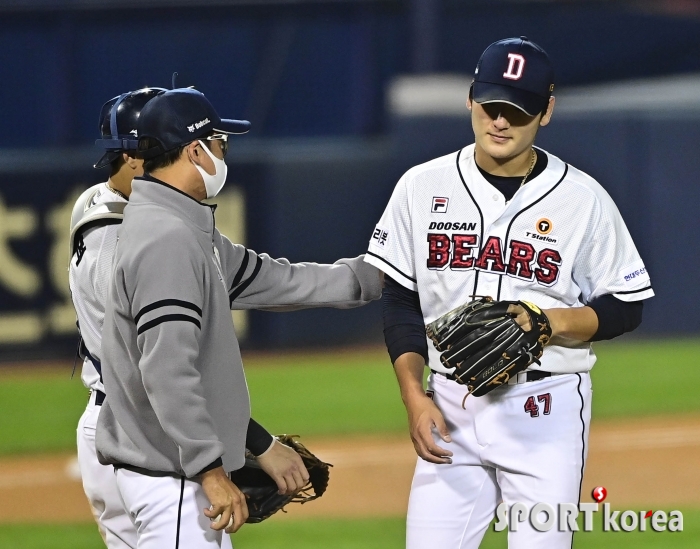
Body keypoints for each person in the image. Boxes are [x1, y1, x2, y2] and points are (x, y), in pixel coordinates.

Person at [365, 36, 653, 548]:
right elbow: (401, 299)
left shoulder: (581, 199)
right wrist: (413, 396)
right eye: (492, 105)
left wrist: (551, 322)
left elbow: (627, 304)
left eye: (517, 111)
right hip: (449, 405)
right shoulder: (420, 185)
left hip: (545, 409)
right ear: (471, 100)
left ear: (546, 112)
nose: (500, 122)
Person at [95, 87, 383, 549]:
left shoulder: (187, 227)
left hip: (174, 477)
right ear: (195, 150)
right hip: (175, 485)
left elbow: (282, 281)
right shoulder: (166, 239)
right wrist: (210, 471)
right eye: (219, 144)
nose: (224, 153)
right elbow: (167, 371)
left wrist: (383, 275)